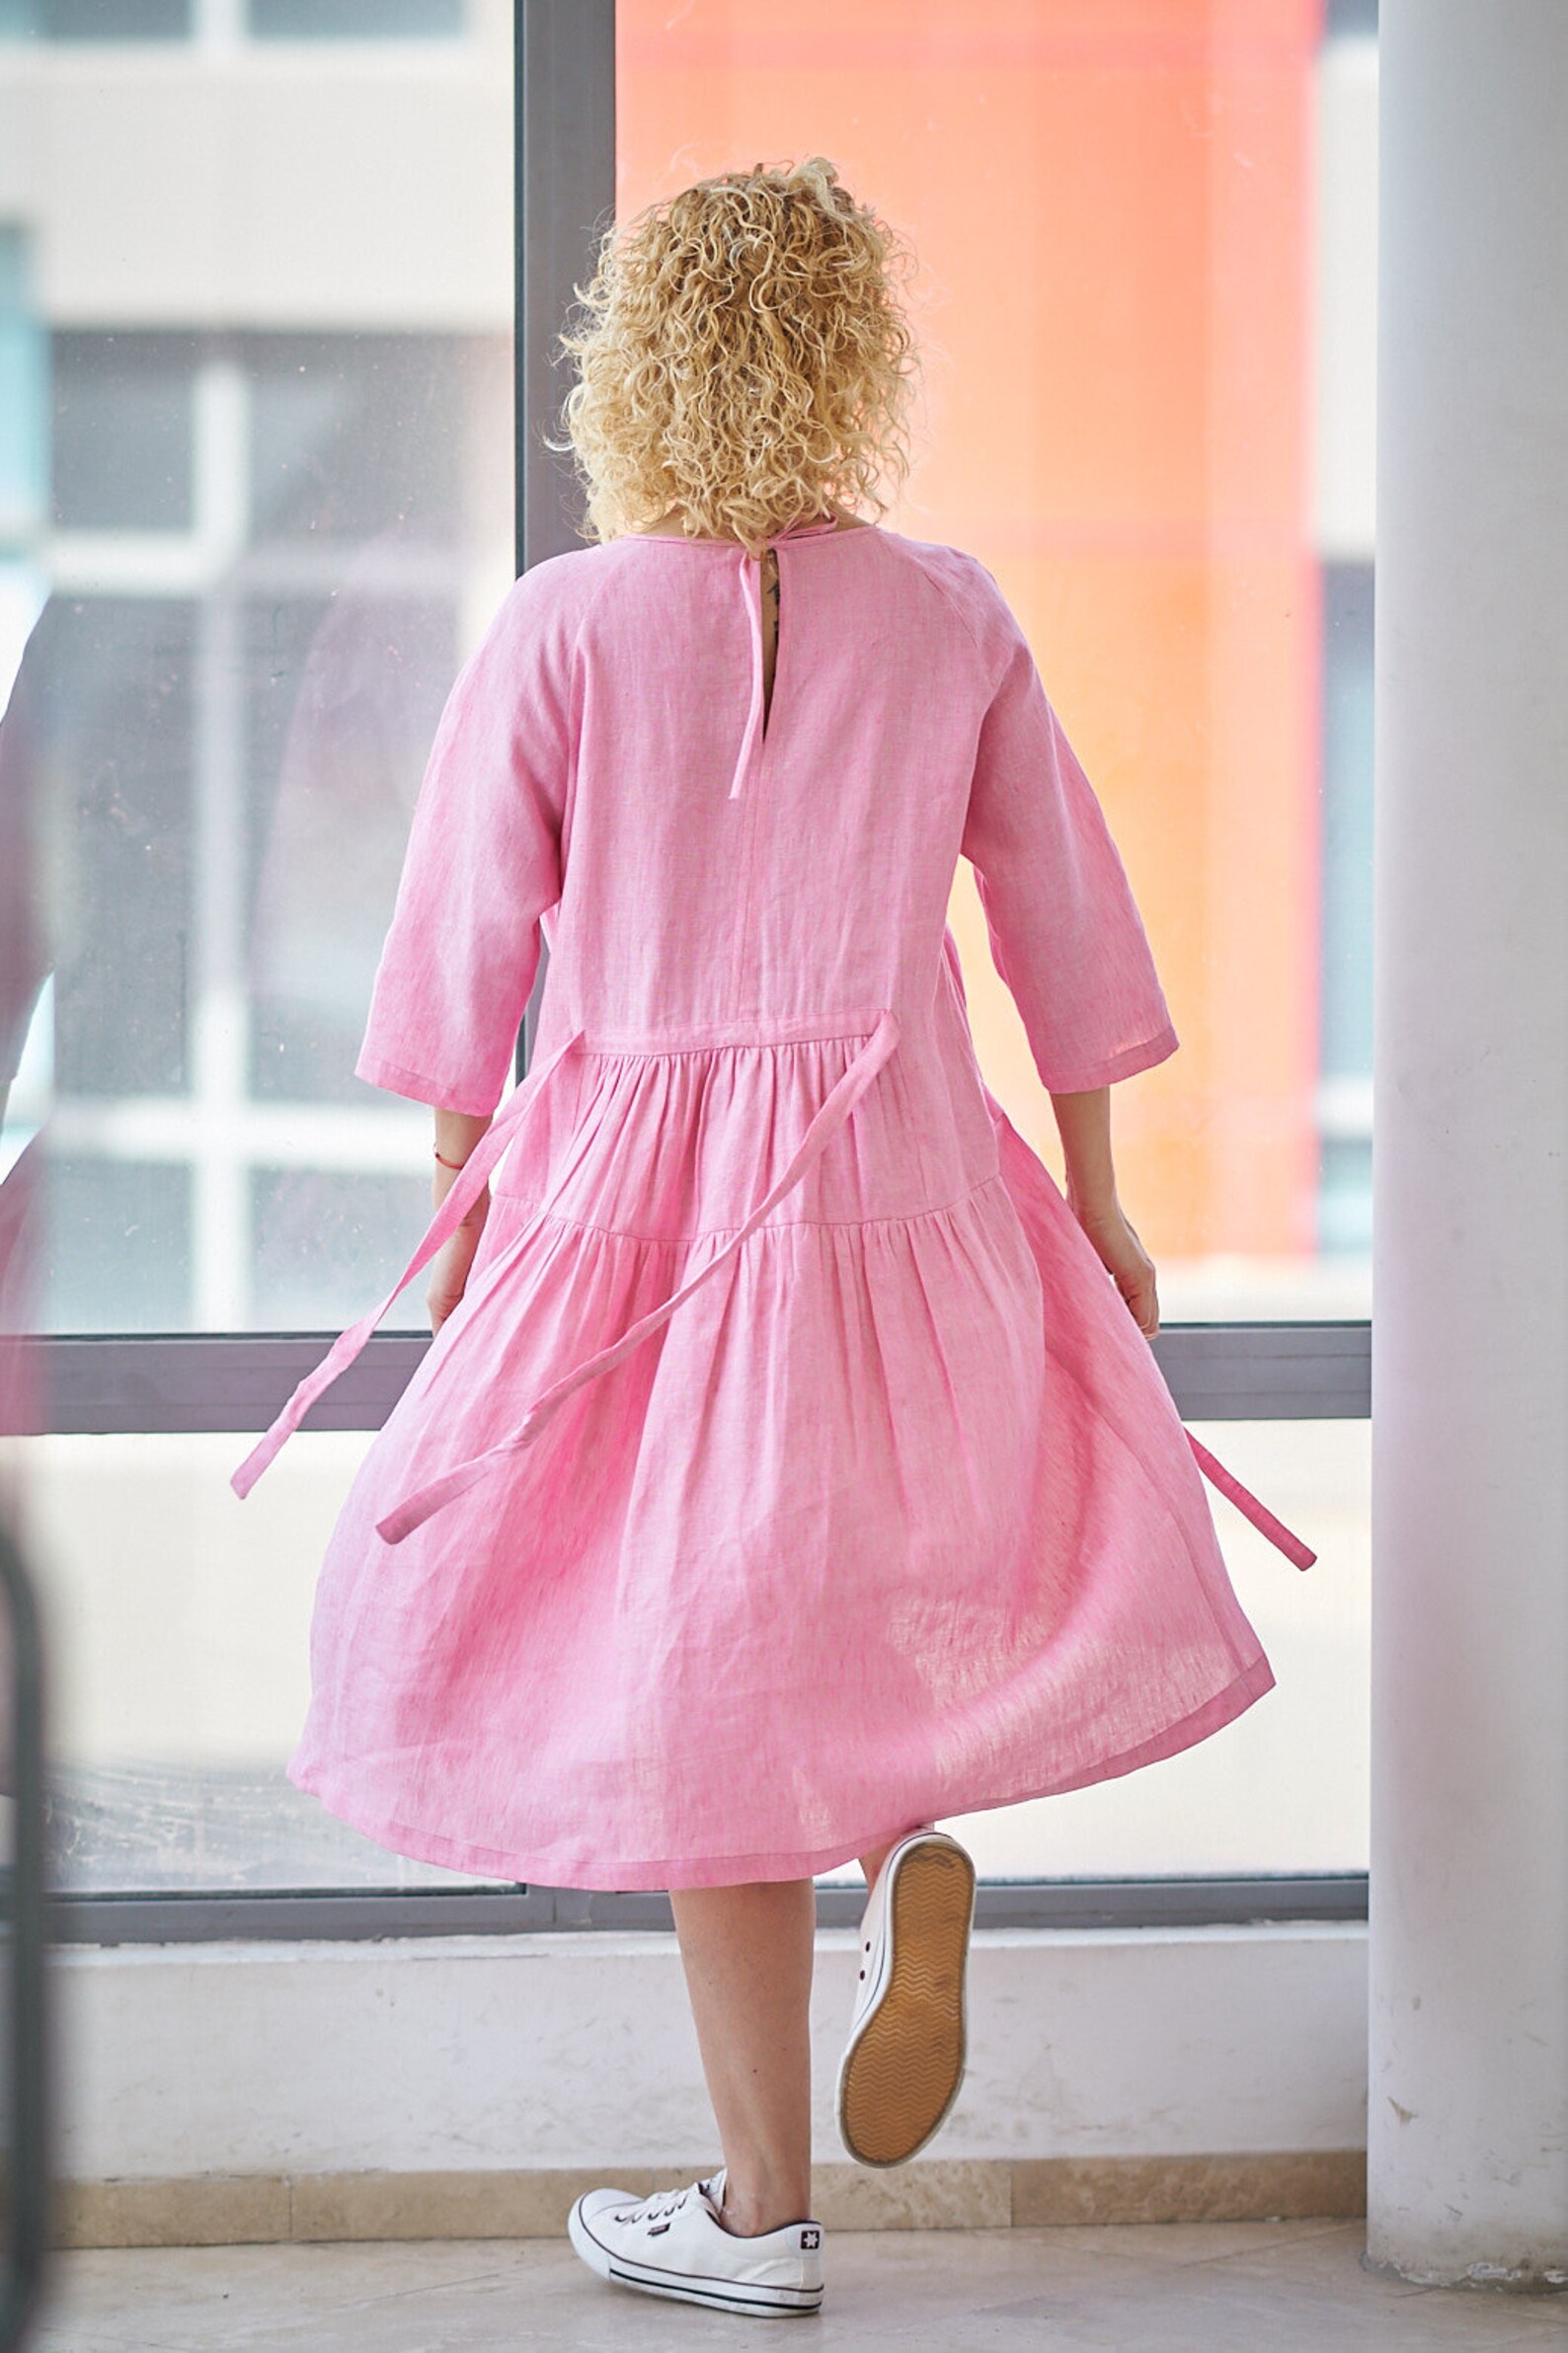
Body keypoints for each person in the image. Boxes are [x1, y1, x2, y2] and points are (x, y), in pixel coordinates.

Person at [232, 154, 1310, 2320]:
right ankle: (905, 1847)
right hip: (898, 1173)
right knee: (894, 1572)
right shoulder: (951, 612)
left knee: (690, 1674)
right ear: (855, 357)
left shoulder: (561, 622)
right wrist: (1097, 1206)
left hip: (630, 1207)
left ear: (631, 368)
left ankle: (759, 2215)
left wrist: (459, 1205)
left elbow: (462, 946)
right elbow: (1059, 927)